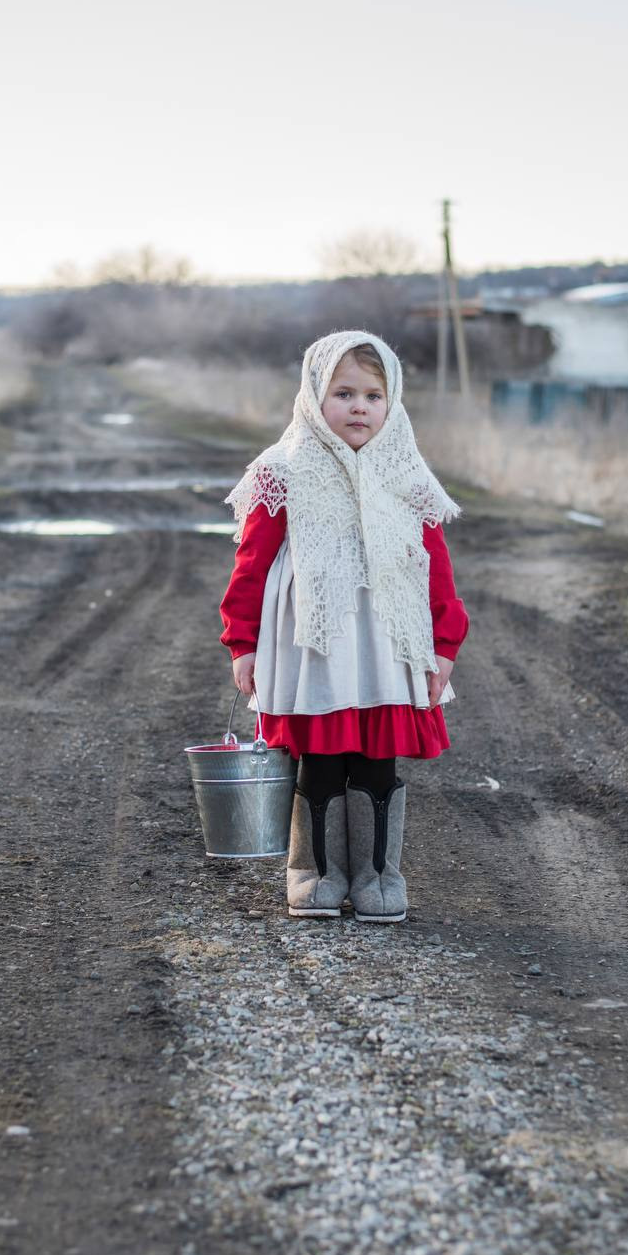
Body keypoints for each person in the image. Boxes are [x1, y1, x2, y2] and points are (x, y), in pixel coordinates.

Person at [219, 330, 469, 923]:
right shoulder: (282, 470)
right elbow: (251, 565)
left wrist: (444, 644)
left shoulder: (405, 473)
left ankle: (379, 874)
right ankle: (315, 871)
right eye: (344, 393)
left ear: (393, 402)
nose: (360, 407)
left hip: (387, 646)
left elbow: (435, 566)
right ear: (313, 396)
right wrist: (243, 642)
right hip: (314, 649)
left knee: (378, 758)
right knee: (321, 757)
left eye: (374, 396)